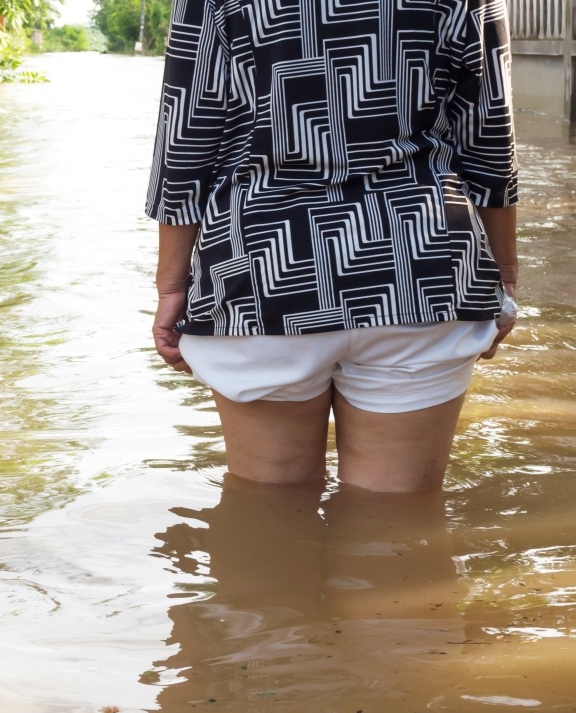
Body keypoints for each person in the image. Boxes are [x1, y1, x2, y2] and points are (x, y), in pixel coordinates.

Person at [147, 0, 519, 493]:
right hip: (418, 265)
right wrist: (504, 276)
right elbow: (489, 139)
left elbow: (186, 142)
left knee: (268, 520)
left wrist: (171, 285)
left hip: (263, 271)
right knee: (394, 529)